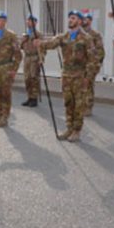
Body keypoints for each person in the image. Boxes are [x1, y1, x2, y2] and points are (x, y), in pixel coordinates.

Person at [36, 10, 98, 141]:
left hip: (80, 75)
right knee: (68, 103)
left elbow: (93, 59)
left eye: (74, 18)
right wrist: (40, 43)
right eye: (70, 18)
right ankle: (69, 128)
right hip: (66, 75)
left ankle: (76, 130)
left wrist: (88, 78)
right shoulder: (64, 36)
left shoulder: (86, 38)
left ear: (80, 21)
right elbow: (51, 44)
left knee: (78, 104)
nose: (70, 20)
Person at [81, 11, 105, 116]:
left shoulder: (95, 35)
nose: (84, 21)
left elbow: (100, 51)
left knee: (89, 86)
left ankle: (88, 108)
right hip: (80, 65)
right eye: (83, 19)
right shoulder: (79, 34)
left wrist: (96, 64)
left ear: (90, 21)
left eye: (86, 19)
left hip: (90, 65)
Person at [19, 15, 43, 107]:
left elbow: (42, 48)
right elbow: (20, 47)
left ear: (35, 23)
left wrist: (41, 59)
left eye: (32, 21)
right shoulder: (25, 34)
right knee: (27, 79)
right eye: (28, 20)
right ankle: (29, 97)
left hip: (34, 57)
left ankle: (34, 98)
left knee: (34, 78)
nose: (29, 22)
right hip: (27, 58)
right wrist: (23, 40)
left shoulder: (38, 34)